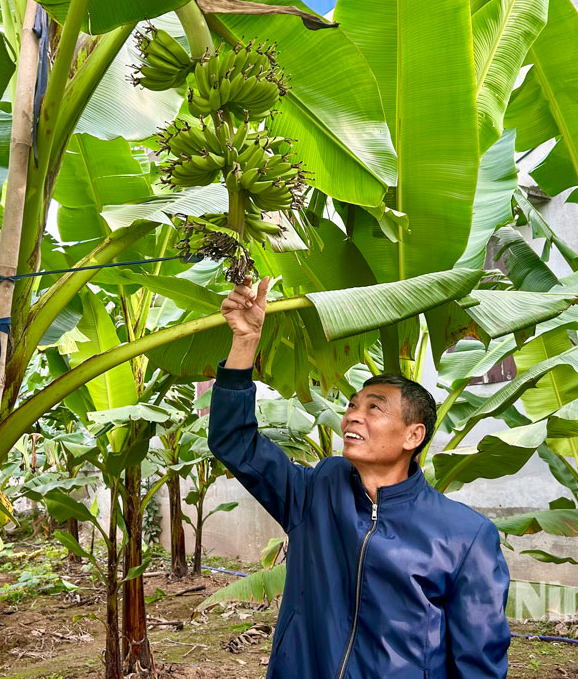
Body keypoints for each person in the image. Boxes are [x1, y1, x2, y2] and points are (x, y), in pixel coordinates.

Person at [208, 275, 511, 679]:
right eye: (352, 405)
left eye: (374, 408)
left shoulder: (465, 536)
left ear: (413, 435)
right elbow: (234, 442)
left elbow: (479, 667)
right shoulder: (316, 493)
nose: (353, 415)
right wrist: (245, 341)